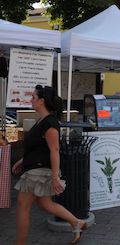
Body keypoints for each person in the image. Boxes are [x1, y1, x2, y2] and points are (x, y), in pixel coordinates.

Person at [12, 85, 86, 244]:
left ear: (41, 101)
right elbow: (39, 148)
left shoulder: (50, 123)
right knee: (45, 204)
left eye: (33, 97)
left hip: (38, 173)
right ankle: (77, 222)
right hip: (35, 168)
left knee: (22, 207)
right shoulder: (43, 121)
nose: (30, 100)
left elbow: (55, 150)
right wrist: (22, 161)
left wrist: (54, 177)